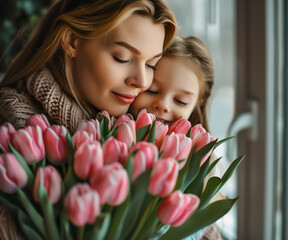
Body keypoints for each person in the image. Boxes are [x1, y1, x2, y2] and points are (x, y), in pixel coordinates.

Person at [0, 0, 176, 239]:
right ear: (73, 41)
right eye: (123, 58)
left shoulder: (143, 126)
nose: (142, 81)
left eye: (152, 64)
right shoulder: (10, 133)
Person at [129, 34, 224, 240]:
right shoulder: (115, 140)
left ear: (195, 108)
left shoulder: (199, 166)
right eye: (152, 89)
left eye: (180, 101)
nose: (163, 104)